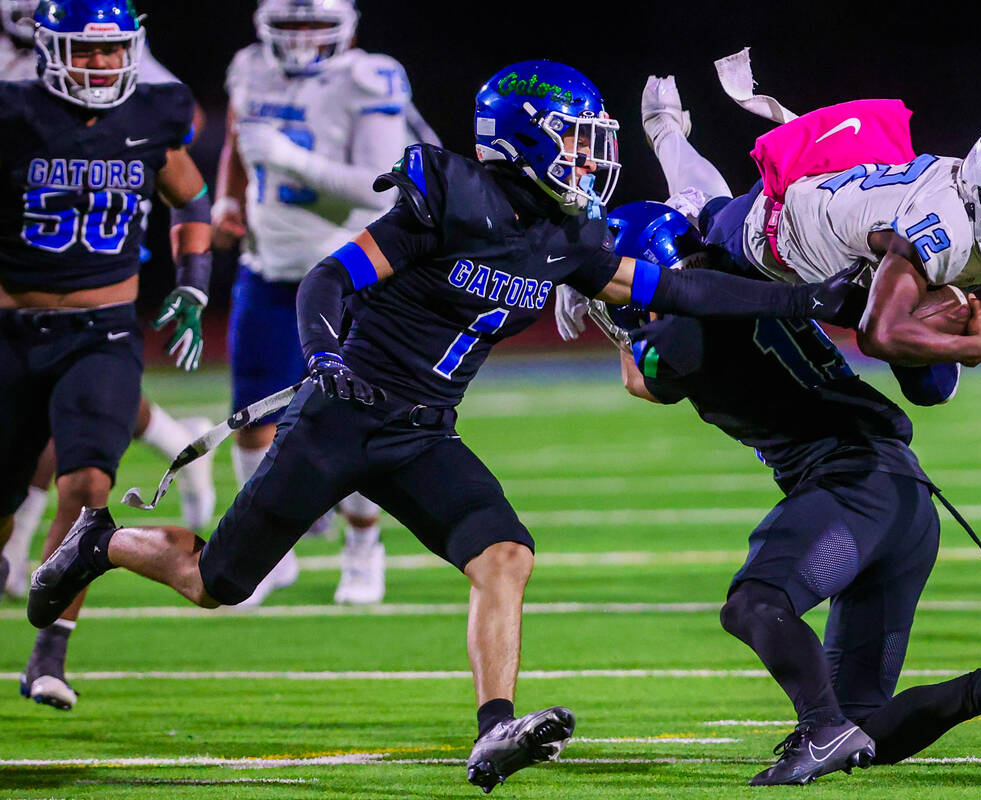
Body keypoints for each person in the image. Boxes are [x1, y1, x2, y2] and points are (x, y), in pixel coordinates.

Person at [29, 59, 874, 792]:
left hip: (423, 431)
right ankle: (101, 543)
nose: (590, 155)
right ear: (524, 139)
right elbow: (331, 278)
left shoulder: (567, 236)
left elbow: (684, 291)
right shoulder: (451, 198)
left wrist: (807, 301)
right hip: (341, 411)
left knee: (505, 554)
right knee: (218, 583)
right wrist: (322, 357)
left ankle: (493, 729)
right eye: (575, 137)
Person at [594, 201, 981, 785]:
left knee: (755, 603)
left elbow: (645, 378)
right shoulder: (749, 271)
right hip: (905, 501)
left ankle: (819, 727)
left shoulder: (681, 333)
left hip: (853, 487)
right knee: (864, 724)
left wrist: (605, 306)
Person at [630, 73, 981, 462]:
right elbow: (877, 334)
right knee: (697, 225)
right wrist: (969, 347)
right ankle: (666, 134)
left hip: (851, 267)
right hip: (773, 237)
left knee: (931, 380)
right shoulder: (942, 230)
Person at [0, 0, 213, 711]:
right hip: (10, 332)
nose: (100, 65)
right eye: (85, 53)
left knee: (89, 488)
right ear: (50, 50)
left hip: (104, 332)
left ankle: (50, 652)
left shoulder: (154, 113)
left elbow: (189, 197)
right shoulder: (12, 111)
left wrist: (194, 284)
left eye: (110, 50)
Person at [212, 0, 441, 605]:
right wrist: (228, 202)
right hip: (269, 265)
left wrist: (288, 158)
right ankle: (267, 554)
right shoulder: (248, 66)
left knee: (354, 418)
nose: (303, 40)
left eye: (316, 25)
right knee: (252, 422)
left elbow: (378, 178)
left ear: (347, 27)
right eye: (291, 27)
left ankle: (363, 546)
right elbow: (240, 141)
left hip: (351, 271)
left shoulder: (369, 77)